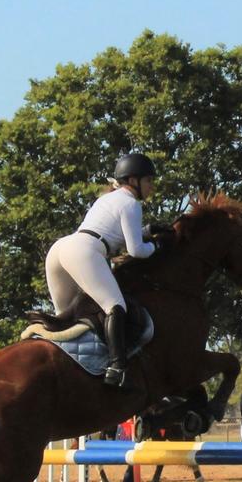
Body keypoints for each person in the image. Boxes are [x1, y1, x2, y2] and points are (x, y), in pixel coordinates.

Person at [44, 153, 172, 388]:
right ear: (133, 180)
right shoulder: (131, 203)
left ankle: (61, 365)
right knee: (115, 306)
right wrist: (157, 245)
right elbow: (135, 250)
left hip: (61, 249)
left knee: (66, 318)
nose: (152, 186)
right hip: (86, 251)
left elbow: (112, 230)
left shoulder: (108, 199)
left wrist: (147, 229)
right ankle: (117, 367)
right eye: (149, 181)